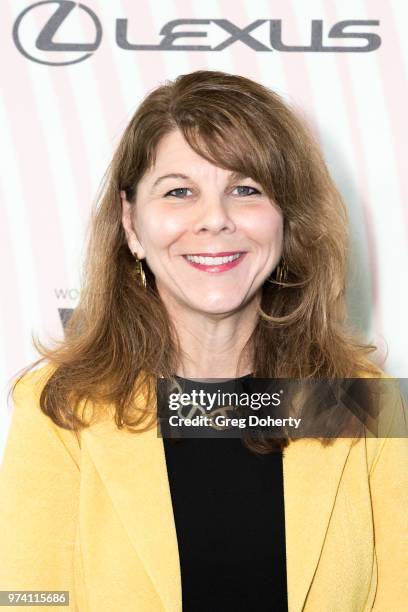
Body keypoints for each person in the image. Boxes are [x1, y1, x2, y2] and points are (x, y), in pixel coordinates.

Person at [0, 70, 407, 612]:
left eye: (245, 189)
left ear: (286, 220)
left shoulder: (360, 402)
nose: (215, 219)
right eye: (179, 192)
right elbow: (28, 599)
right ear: (132, 223)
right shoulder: (63, 404)